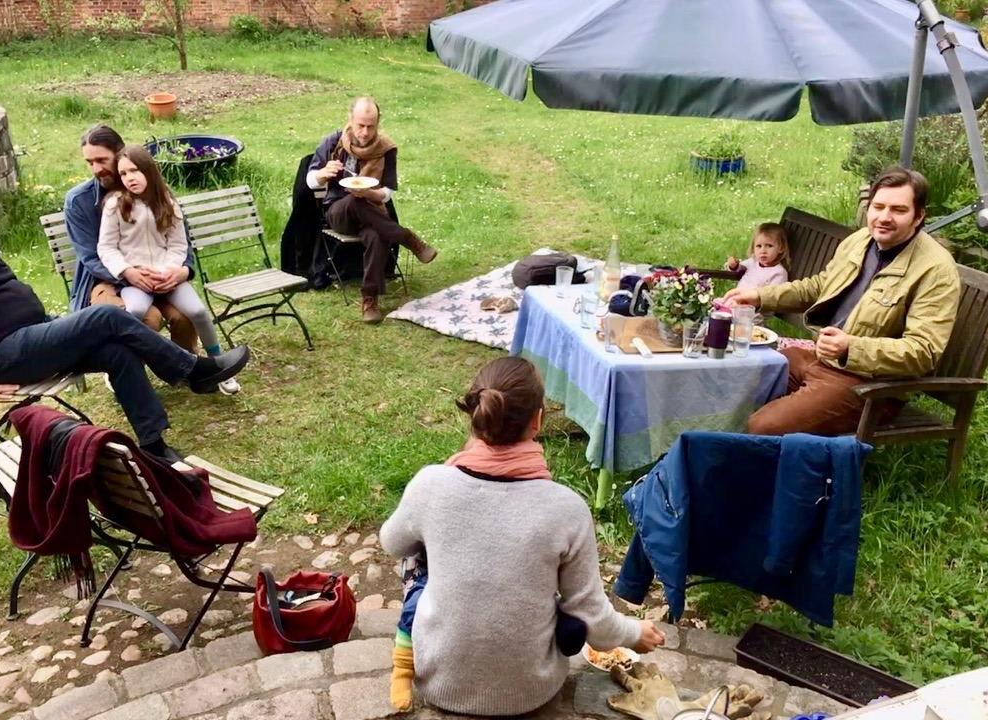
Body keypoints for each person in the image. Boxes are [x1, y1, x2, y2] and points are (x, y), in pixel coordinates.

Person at [380, 357, 663, 715]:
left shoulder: (431, 485)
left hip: (439, 684)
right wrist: (635, 632)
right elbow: (593, 620)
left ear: (476, 414)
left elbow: (391, 543)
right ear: (538, 419)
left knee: (415, 549)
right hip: (533, 690)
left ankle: (413, 648)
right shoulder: (566, 508)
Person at [0, 169, 250, 463]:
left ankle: (153, 444)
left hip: (35, 334)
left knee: (117, 351)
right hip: (1, 355)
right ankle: (193, 370)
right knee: (105, 315)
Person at [723, 166, 960, 436]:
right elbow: (822, 285)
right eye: (878, 206)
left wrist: (850, 347)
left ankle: (763, 472)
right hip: (818, 358)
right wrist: (760, 296)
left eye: (898, 210)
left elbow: (923, 351)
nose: (884, 217)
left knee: (763, 426)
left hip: (868, 386)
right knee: (733, 382)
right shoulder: (860, 240)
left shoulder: (935, 269)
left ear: (918, 216)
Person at [98, 145, 240, 394]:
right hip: (136, 279)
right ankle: (121, 368)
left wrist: (170, 271)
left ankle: (217, 364)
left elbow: (178, 245)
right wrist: (127, 271)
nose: (130, 177)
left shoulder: (168, 203)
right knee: (135, 311)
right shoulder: (115, 206)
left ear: (149, 170)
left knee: (196, 310)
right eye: (123, 174)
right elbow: (106, 248)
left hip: (168, 276)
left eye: (135, 170)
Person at [64, 124, 200, 356]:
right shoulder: (79, 201)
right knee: (147, 318)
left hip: (158, 273)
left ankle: (189, 366)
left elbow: (180, 239)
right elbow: (90, 257)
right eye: (90, 163)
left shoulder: (155, 190)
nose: (96, 169)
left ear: (120, 154)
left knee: (185, 315)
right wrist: (130, 274)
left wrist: (183, 271)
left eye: (102, 160)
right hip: (107, 281)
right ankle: (125, 372)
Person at [306, 96, 438, 324]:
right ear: (350, 120)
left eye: (370, 126)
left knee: (376, 234)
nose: (365, 132)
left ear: (378, 124)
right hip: (339, 212)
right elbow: (309, 181)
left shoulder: (386, 149)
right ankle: (405, 237)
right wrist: (321, 174)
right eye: (360, 125)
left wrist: (369, 193)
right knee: (353, 202)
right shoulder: (334, 142)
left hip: (372, 212)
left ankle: (370, 299)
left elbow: (386, 194)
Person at [725, 222, 790, 293]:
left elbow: (773, 297)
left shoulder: (778, 272)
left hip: (753, 303)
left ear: (781, 248)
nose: (763, 251)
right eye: (759, 246)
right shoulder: (753, 261)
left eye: (769, 246)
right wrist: (734, 266)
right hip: (735, 297)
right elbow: (739, 269)